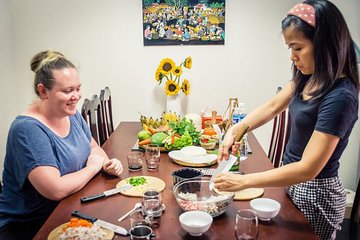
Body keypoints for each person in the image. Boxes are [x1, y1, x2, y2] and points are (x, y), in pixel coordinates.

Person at [215, 1, 359, 240]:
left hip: (316, 195)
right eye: (289, 48)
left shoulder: (341, 96)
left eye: (297, 48)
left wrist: (243, 182)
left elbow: (307, 169)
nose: (292, 56)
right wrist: (236, 129)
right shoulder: (308, 76)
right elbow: (272, 107)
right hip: (291, 182)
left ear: (324, 45)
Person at [0, 50, 124, 239]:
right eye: (67, 91)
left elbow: (93, 148)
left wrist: (107, 164)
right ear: (43, 91)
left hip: (70, 206)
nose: (76, 96)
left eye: (78, 88)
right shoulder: (27, 130)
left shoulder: (71, 114)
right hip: (31, 225)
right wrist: (92, 167)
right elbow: (55, 189)